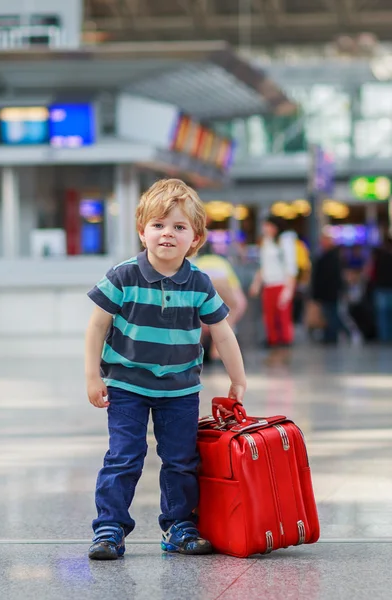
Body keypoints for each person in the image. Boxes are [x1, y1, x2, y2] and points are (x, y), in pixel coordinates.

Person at [84, 178, 247, 560]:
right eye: (158, 225)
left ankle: (178, 526)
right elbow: (96, 325)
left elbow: (222, 333)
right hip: (127, 383)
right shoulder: (123, 275)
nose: (167, 234)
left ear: (196, 238)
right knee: (124, 456)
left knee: (181, 460)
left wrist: (237, 378)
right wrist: (93, 375)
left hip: (180, 389)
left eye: (178, 227)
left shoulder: (200, 283)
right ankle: (109, 528)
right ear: (142, 232)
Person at [249, 216, 298, 348]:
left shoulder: (285, 241)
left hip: (281, 284)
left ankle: (285, 340)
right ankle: (272, 339)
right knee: (269, 316)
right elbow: (263, 266)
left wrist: (289, 289)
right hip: (268, 284)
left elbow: (291, 266)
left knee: (283, 315)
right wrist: (256, 284)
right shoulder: (266, 242)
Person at [194, 243, 248, 361]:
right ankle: (217, 350)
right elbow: (236, 290)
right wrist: (234, 314)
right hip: (223, 285)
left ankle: (197, 351)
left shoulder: (196, 262)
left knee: (198, 319)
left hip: (204, 287)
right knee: (227, 316)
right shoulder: (222, 262)